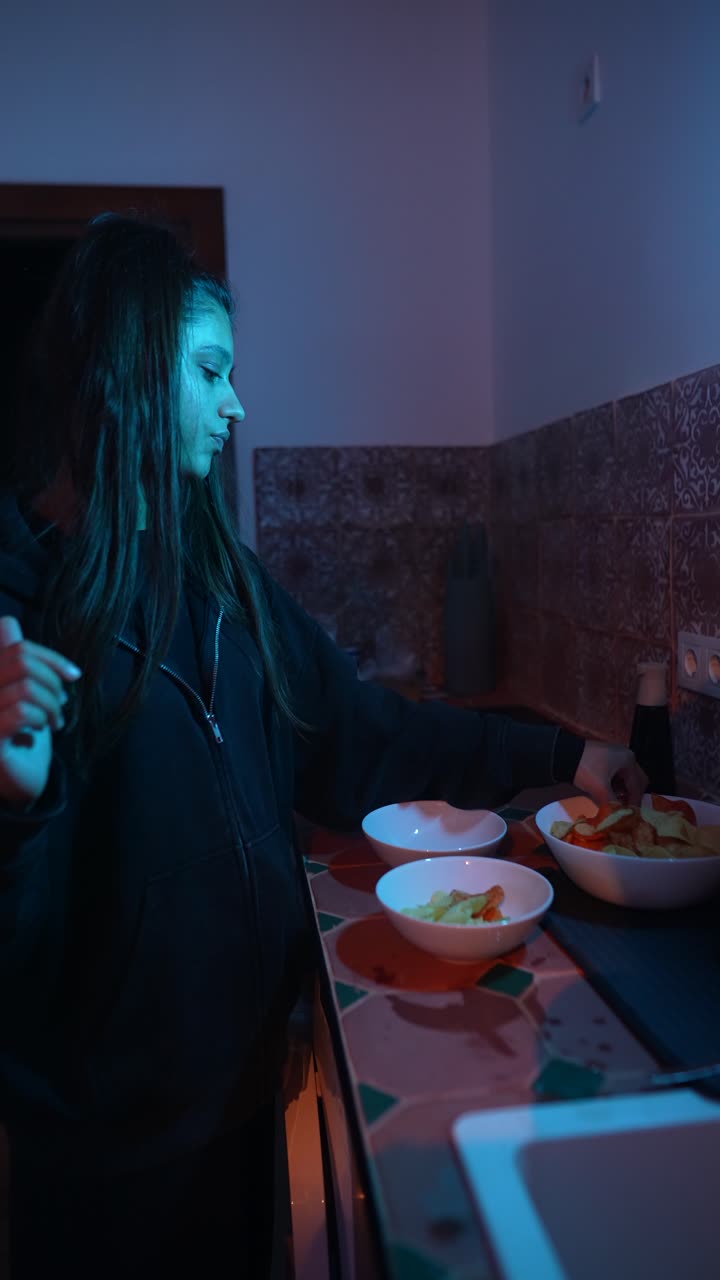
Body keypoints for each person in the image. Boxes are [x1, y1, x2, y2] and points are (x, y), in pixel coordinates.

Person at [0, 213, 646, 1279]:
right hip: (105, 1151)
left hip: (252, 1079)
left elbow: (360, 737)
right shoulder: (25, 608)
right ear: (125, 370)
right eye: (210, 370)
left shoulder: (229, 587)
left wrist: (557, 757)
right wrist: (15, 805)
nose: (236, 402)